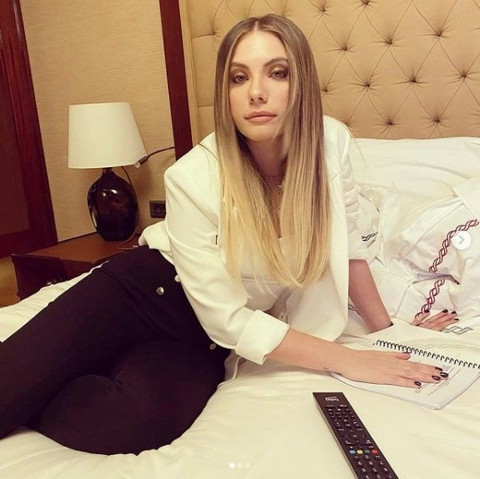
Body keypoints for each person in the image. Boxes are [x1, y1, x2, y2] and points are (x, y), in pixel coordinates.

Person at [0, 14, 457, 456]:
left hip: (201, 336)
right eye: (239, 78)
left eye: (277, 72)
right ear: (226, 93)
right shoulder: (193, 176)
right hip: (141, 293)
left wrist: (388, 333)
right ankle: (47, 373)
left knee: (135, 424)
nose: (256, 92)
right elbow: (229, 317)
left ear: (300, 82)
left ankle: (53, 384)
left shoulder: (331, 144)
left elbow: (350, 249)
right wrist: (347, 359)